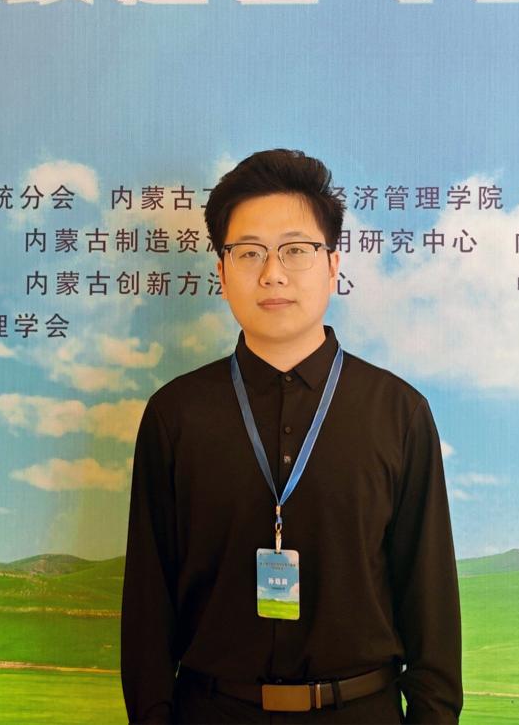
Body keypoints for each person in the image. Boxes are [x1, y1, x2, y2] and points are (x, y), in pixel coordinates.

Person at [122, 149, 461, 723]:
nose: (272, 273)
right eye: (249, 252)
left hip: (361, 711)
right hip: (213, 711)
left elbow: (430, 606)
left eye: (296, 250)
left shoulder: (399, 413)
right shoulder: (175, 415)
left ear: (332, 265)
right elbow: (148, 607)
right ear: (221, 271)